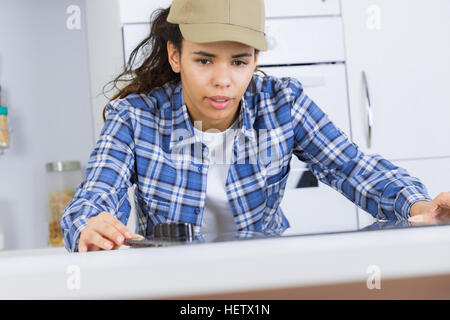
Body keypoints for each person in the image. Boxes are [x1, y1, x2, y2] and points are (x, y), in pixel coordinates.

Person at [61, 0, 450, 253]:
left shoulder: (283, 104)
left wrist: (421, 205)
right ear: (175, 56)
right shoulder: (134, 117)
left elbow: (353, 168)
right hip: (172, 283)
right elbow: (94, 196)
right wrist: (89, 227)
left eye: (239, 61)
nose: (223, 80)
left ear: (255, 59)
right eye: (205, 60)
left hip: (263, 276)